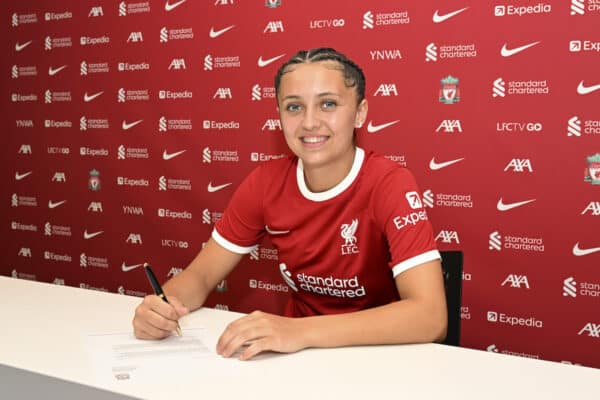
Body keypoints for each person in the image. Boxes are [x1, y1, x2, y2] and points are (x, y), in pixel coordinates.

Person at [133, 48, 447, 360]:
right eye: (294, 107)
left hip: (377, 356)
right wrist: (163, 306)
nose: (310, 122)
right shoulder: (265, 182)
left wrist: (301, 331)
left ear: (360, 112)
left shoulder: (389, 183)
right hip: (298, 358)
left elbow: (430, 317)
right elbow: (199, 278)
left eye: (328, 104)